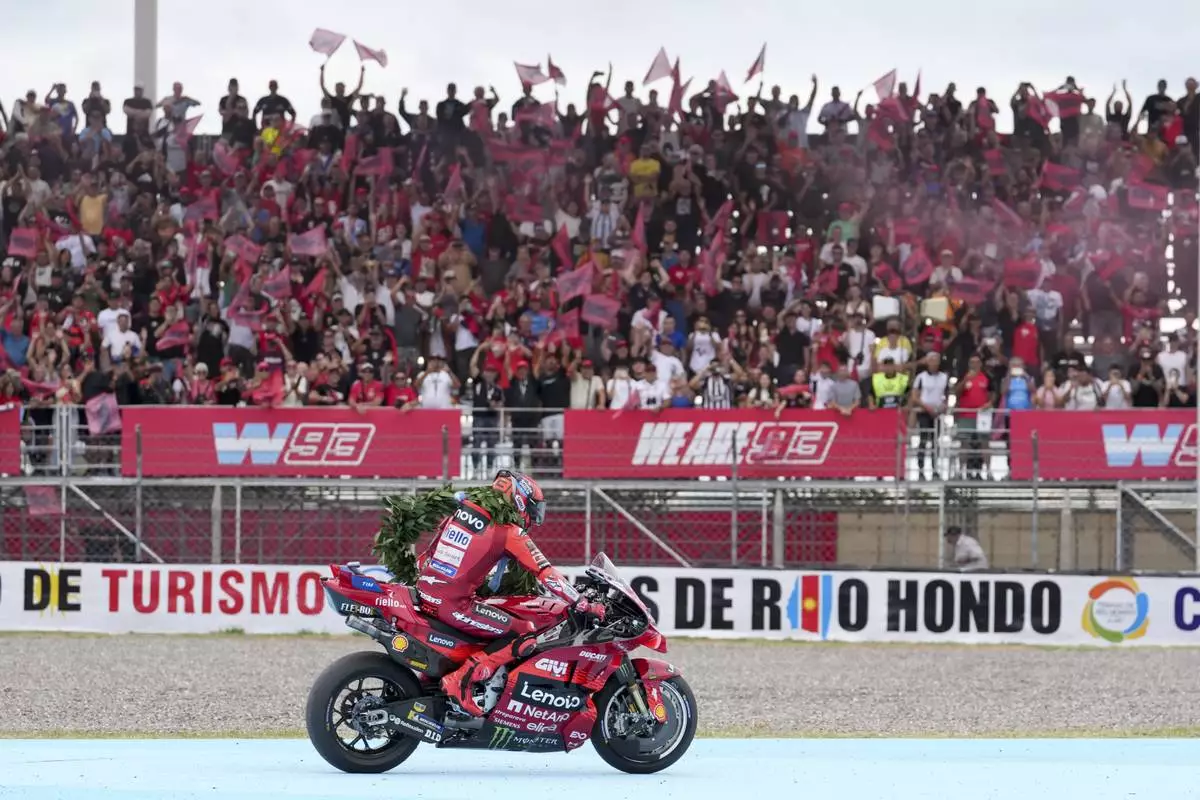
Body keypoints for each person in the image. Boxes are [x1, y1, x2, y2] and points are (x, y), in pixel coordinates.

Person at [419, 469, 605, 717]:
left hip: (426, 592)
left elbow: (427, 555)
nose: (533, 518)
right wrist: (582, 603)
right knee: (524, 632)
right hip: (453, 604)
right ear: (520, 499)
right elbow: (547, 573)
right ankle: (461, 680)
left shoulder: (463, 510)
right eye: (533, 509)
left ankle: (431, 680)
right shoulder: (509, 531)